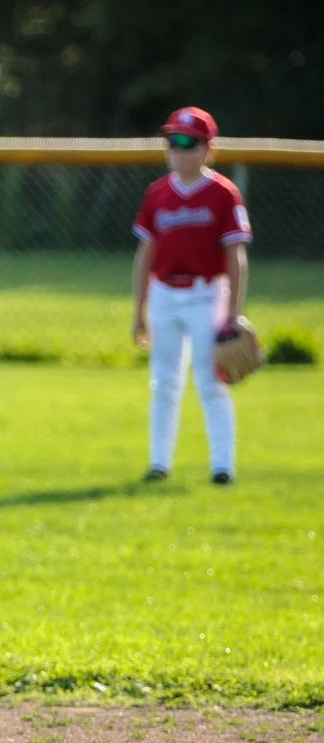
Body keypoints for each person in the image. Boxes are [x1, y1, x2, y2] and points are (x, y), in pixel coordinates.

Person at [130, 106, 253, 485]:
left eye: (188, 142)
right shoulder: (157, 194)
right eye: (173, 142)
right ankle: (159, 463)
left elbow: (236, 258)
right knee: (164, 381)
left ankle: (222, 466)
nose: (179, 150)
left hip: (206, 294)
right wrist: (139, 310)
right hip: (165, 293)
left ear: (208, 149)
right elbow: (145, 254)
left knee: (209, 380)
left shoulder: (222, 194)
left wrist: (232, 313)